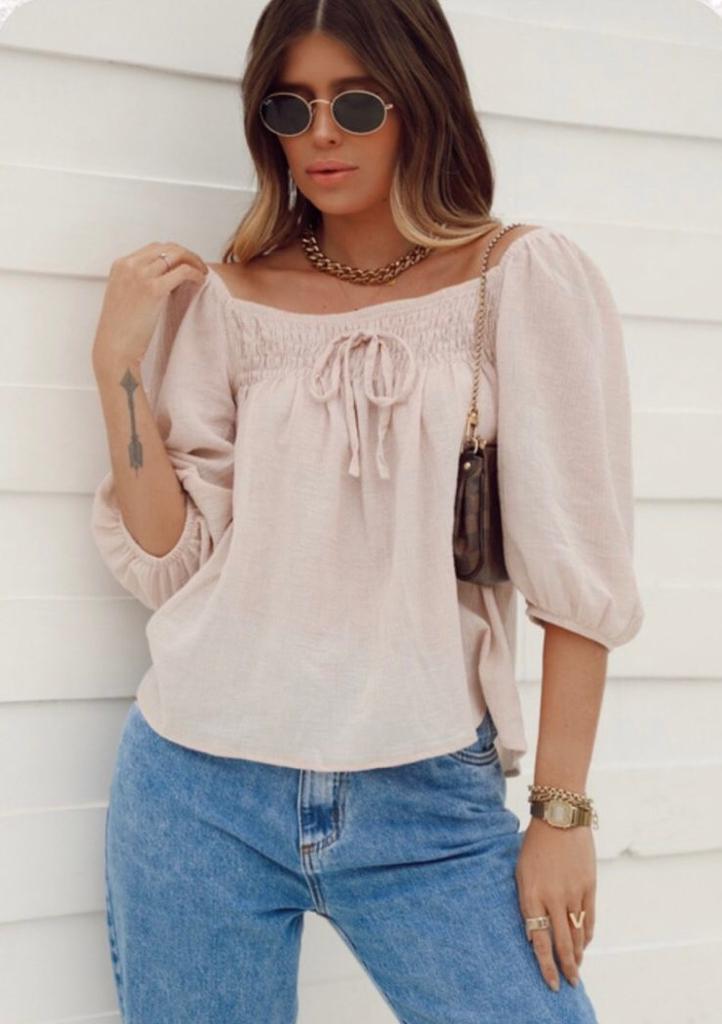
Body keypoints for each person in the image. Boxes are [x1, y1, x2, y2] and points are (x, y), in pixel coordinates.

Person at [90, 2, 644, 1021]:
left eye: (353, 103)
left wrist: (560, 815)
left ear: (420, 103)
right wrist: (118, 368)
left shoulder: (518, 281)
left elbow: (580, 572)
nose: (320, 136)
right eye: (289, 108)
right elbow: (176, 559)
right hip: (196, 787)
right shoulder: (230, 300)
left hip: (425, 800)